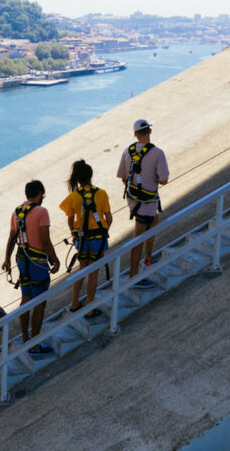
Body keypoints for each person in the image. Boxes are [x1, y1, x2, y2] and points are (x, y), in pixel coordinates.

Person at [2, 180, 60, 355]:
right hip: (37, 262)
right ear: (40, 193)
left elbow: (12, 237)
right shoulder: (42, 212)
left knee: (26, 298)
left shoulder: (16, 212)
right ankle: (34, 343)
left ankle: (26, 338)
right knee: (39, 302)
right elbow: (45, 240)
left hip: (22, 259)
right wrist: (55, 260)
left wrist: (7, 259)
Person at [117, 119, 169, 289]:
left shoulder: (127, 151)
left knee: (154, 220)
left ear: (135, 134)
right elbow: (164, 180)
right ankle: (134, 276)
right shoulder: (157, 153)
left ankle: (148, 259)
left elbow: (124, 178)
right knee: (138, 238)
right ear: (150, 132)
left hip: (134, 200)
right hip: (147, 201)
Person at [59, 160, 112, 317]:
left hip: (81, 239)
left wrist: (74, 233)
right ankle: (90, 307)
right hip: (98, 238)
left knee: (82, 269)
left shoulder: (73, 197)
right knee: (93, 272)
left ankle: (74, 303)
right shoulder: (101, 193)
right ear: (91, 176)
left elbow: (70, 219)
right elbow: (108, 218)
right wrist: (104, 230)